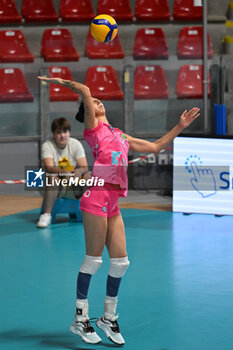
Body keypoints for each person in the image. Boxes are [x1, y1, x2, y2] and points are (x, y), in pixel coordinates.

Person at [38, 76, 200, 344]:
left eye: (100, 102)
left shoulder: (120, 135)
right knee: (93, 260)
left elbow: (156, 146)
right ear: (89, 111)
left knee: (121, 262)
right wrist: (56, 80)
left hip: (113, 201)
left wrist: (180, 126)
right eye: (94, 103)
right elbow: (85, 90)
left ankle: (108, 318)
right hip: (96, 196)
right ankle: (80, 319)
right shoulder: (92, 129)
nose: (98, 102)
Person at [37, 117, 90, 228]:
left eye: (65, 132)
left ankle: (88, 210)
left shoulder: (75, 144)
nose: (62, 136)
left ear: (69, 132)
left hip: (70, 181)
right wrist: (64, 172)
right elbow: (49, 168)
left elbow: (84, 166)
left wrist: (79, 171)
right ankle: (47, 214)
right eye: (58, 132)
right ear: (53, 133)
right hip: (51, 184)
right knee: (53, 177)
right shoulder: (47, 146)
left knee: (87, 176)